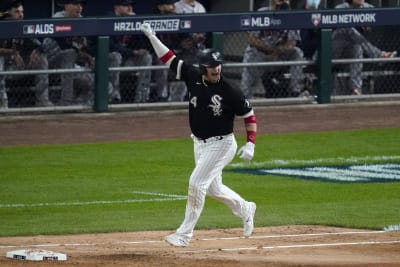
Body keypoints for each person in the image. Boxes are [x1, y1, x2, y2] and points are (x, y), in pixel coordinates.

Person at [140, 22, 257, 247]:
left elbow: (249, 115)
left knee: (196, 182)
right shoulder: (193, 75)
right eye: (212, 68)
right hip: (200, 143)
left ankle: (184, 235)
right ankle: (245, 208)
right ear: (203, 68)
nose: (217, 71)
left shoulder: (229, 90)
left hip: (222, 144)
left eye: (219, 67)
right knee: (213, 188)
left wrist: (250, 143)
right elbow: (169, 58)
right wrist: (152, 37)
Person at [43, 0, 120, 105]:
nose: (79, 7)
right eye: (75, 4)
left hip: (76, 67)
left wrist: (93, 57)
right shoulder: (58, 19)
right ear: (66, 5)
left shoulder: (82, 21)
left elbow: (98, 44)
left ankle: (82, 102)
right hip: (54, 65)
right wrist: (85, 56)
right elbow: (65, 46)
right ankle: (66, 102)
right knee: (70, 54)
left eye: (81, 4)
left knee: (105, 83)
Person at [240, 0, 306, 98]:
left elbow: (292, 42)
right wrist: (271, 49)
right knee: (245, 88)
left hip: (280, 55)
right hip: (259, 54)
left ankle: (295, 90)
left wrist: (279, 50)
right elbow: (252, 39)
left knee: (297, 52)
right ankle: (245, 100)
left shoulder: (291, 15)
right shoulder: (262, 13)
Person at [332, 0, 397, 95]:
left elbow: (381, 17)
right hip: (332, 51)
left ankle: (356, 88)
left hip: (349, 52)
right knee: (348, 29)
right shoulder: (340, 8)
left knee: (357, 48)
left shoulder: (368, 7)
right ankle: (379, 55)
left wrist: (367, 23)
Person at [0, 0, 53, 109]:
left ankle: (42, 101)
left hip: (18, 67)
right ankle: (2, 103)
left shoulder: (24, 27)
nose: (21, 15)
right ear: (7, 14)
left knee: (41, 58)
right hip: (4, 67)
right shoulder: (1, 27)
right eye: (16, 12)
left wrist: (38, 50)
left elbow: (40, 44)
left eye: (22, 12)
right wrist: (12, 52)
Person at [110, 0, 152, 103]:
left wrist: (136, 22)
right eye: (125, 5)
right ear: (117, 8)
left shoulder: (133, 21)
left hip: (128, 61)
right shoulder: (109, 20)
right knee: (116, 56)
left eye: (130, 5)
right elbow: (110, 46)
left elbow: (143, 44)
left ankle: (142, 97)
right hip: (110, 62)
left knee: (147, 57)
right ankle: (114, 96)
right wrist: (132, 52)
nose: (130, 8)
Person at [151, 0, 187, 102]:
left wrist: (189, 41)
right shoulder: (153, 20)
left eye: (173, 4)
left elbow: (185, 37)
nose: (173, 7)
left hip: (177, 52)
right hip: (160, 54)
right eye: (169, 5)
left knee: (188, 59)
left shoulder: (178, 18)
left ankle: (185, 94)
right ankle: (162, 95)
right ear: (160, 7)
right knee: (162, 59)